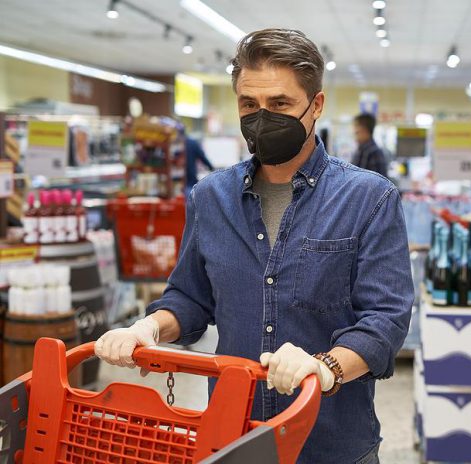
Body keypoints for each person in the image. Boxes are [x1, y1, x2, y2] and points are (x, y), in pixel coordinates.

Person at [94, 28, 413, 464]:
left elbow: (386, 319)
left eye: (280, 104)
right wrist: (146, 328)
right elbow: (189, 298)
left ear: (315, 105)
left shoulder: (368, 199)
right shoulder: (210, 198)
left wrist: (325, 368)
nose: (263, 118)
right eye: (249, 104)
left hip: (331, 444)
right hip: (231, 439)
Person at [178, 126, 215, 196]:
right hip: (190, 180)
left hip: (182, 182)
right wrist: (212, 168)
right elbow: (202, 157)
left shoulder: (176, 144)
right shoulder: (192, 143)